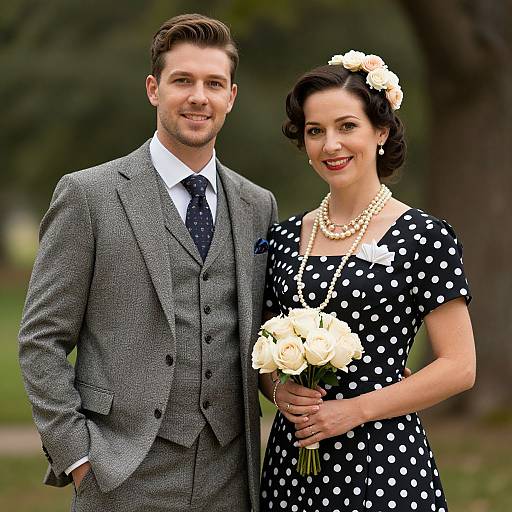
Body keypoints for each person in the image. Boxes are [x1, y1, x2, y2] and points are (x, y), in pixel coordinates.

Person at [18, 13, 276, 512]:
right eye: (183, 80)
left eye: (213, 83)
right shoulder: (88, 196)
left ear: (231, 97)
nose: (198, 96)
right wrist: (78, 457)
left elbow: (261, 328)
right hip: (119, 474)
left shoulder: (257, 205)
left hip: (232, 476)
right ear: (154, 89)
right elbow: (41, 339)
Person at [259, 50, 475, 511]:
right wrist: (279, 391)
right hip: (293, 463)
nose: (330, 144)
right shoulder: (280, 239)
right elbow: (261, 356)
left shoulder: (424, 236)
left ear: (380, 131)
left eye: (346, 126)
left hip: (383, 461)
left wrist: (352, 411)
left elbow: (459, 366)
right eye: (315, 131)